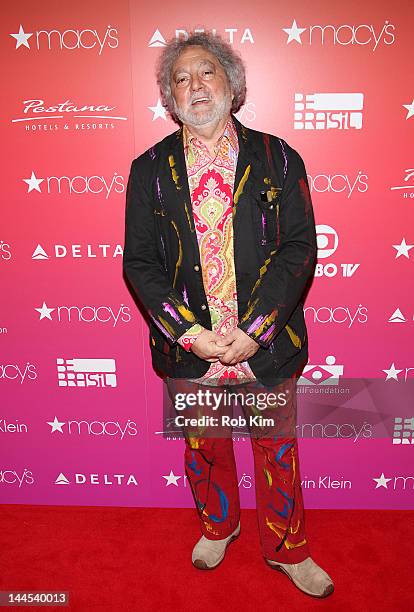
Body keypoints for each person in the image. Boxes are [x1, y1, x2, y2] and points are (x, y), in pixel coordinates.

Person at [123, 31, 334, 598]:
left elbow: (299, 248)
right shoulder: (149, 170)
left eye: (206, 73)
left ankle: (287, 549)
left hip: (264, 344)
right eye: (181, 79)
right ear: (170, 97)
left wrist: (256, 331)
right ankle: (220, 525)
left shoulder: (278, 157)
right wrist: (189, 335)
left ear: (232, 84)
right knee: (204, 447)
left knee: (276, 448)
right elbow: (139, 263)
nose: (195, 86)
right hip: (191, 349)